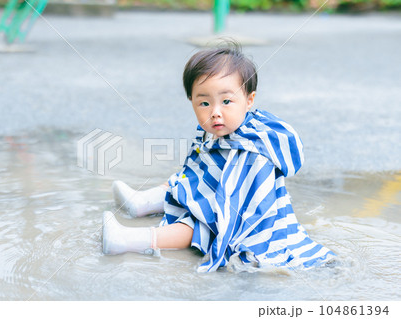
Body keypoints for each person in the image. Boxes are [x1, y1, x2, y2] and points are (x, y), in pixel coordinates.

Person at [102, 42, 336, 273]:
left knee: (194, 226)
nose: (215, 111)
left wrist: (206, 211)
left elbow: (243, 202)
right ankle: (141, 203)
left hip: (234, 216)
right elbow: (198, 169)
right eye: (204, 103)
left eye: (226, 101)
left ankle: (129, 241)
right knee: (185, 178)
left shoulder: (252, 150)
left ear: (249, 100)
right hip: (215, 196)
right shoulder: (217, 130)